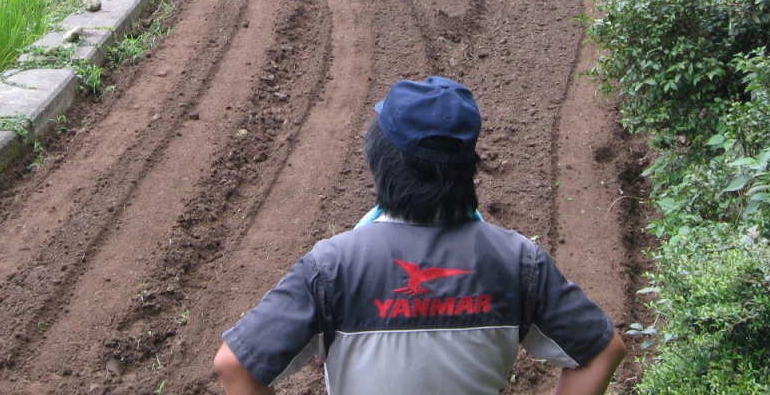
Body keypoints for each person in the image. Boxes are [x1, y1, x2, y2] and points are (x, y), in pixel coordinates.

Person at [214, 76, 626, 395]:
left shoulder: (332, 267)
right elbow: (602, 350)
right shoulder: (518, 262)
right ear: (468, 169)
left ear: (381, 162)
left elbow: (237, 365)